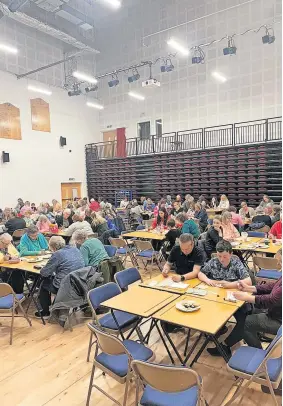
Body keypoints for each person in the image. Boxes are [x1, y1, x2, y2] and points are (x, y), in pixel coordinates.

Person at [211, 248, 282, 356]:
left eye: (280, 261)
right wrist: (250, 288)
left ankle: (260, 356)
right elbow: (272, 286)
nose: (278, 264)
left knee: (246, 323)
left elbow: (271, 300)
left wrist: (246, 297)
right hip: (275, 312)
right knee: (247, 312)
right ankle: (229, 345)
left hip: (278, 319)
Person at [36, 236, 84, 318]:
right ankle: (55, 305)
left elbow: (44, 273)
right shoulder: (75, 249)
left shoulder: (57, 254)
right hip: (79, 282)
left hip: (65, 285)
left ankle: (45, 312)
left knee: (43, 283)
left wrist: (43, 268)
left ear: (53, 247)